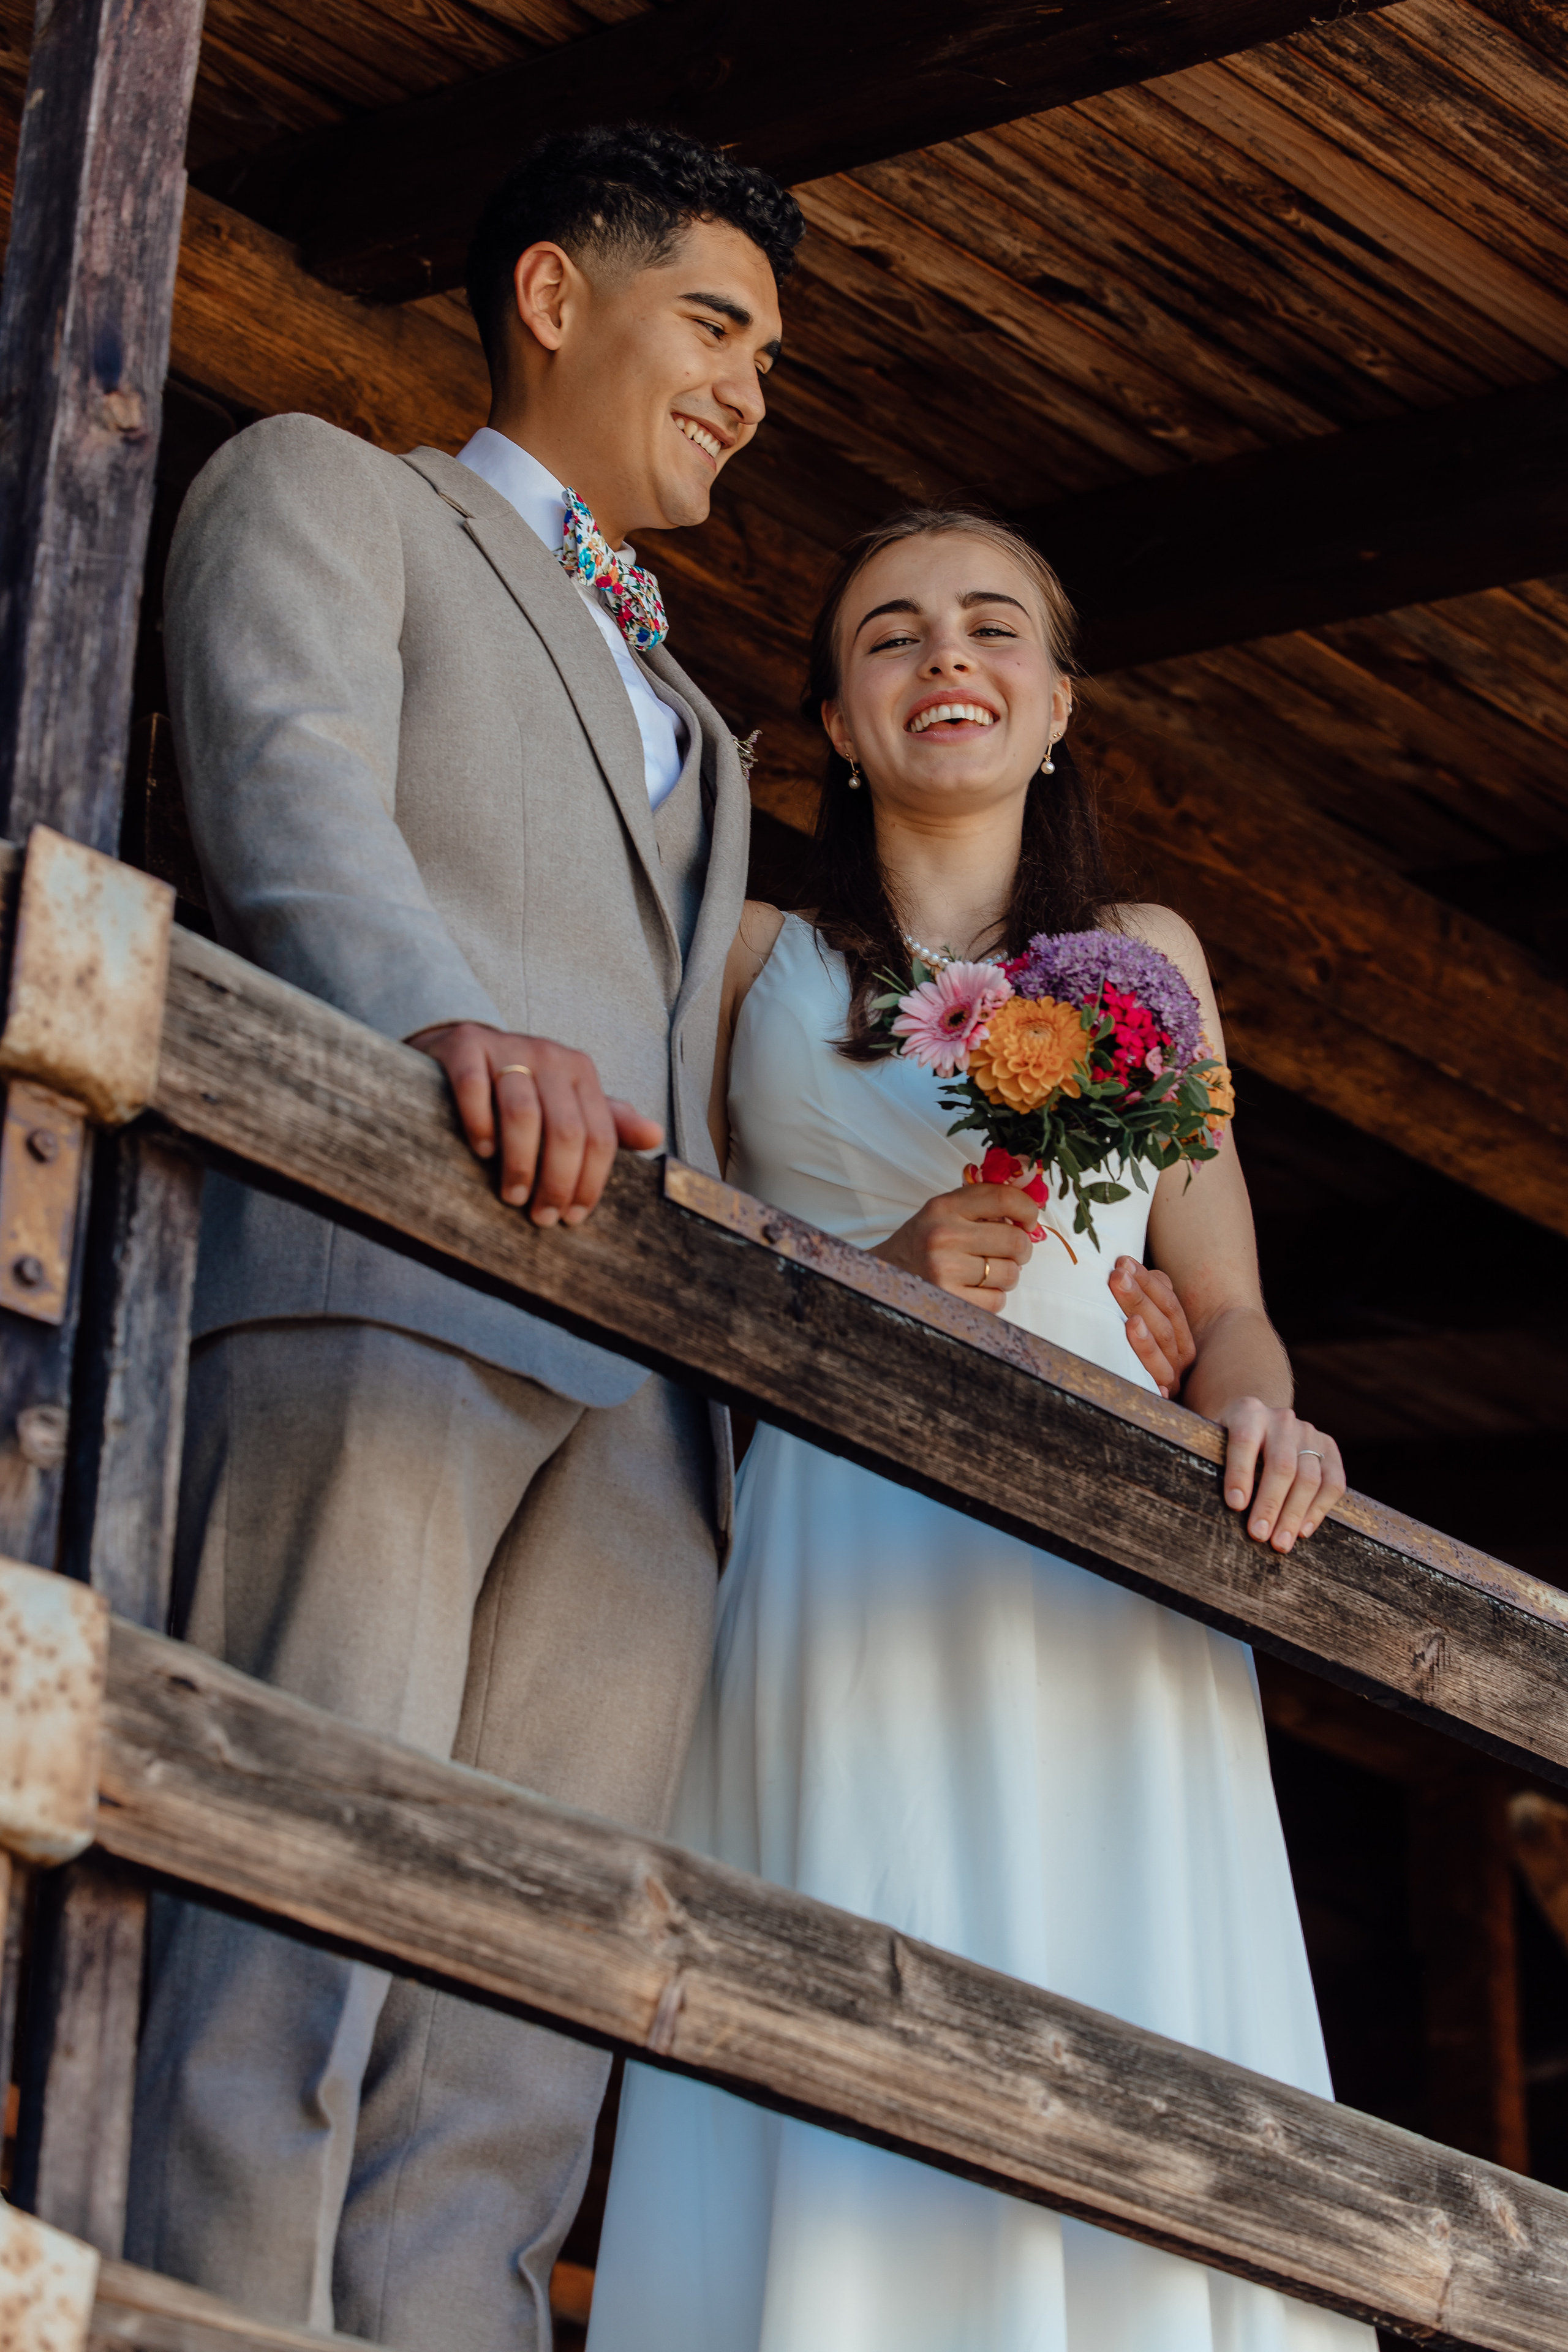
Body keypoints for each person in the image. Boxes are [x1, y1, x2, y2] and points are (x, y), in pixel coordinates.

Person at [127, 126, 804, 2351]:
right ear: (548, 290)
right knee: (290, 1905)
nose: (748, 388)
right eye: (715, 323)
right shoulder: (333, 490)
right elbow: (289, 779)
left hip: (644, 1423)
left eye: (769, 356)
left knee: (521, 2019)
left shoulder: (704, 723)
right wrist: (445, 1024)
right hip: (389, 1273)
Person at [586, 506, 1370, 2352]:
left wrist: (1267, 1423)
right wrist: (876, 1262)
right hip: (848, 1535)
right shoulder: (750, 952)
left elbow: (1228, 1300)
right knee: (874, 1959)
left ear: (1058, 704)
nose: (949, 659)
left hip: (1108, 1565)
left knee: (1127, 2001)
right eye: (892, 637)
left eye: (993, 629)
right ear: (840, 727)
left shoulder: (1145, 954)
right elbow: (672, 1266)